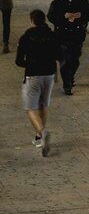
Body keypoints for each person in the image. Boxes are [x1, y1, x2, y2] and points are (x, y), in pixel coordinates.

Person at [15, 9, 58, 157]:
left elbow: (19, 61)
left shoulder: (27, 37)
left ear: (32, 21)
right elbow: (59, 54)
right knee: (43, 105)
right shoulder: (52, 35)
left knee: (30, 108)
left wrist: (30, 63)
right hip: (49, 74)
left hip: (33, 75)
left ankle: (42, 132)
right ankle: (39, 138)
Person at [47, 0, 89, 95]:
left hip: (77, 36)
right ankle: (67, 84)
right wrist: (64, 16)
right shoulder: (57, 2)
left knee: (75, 60)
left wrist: (80, 15)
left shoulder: (81, 0)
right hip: (62, 36)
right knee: (65, 61)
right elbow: (51, 17)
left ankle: (70, 77)